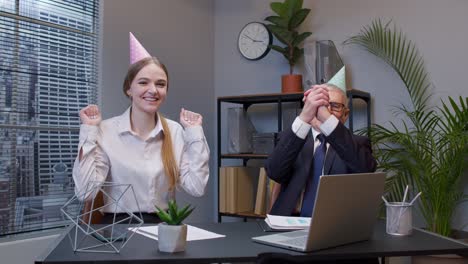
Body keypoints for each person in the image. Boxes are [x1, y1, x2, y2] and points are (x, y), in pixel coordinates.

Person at [72, 33, 209, 224]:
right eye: (143, 82)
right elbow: (85, 191)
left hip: (163, 228)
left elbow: (197, 187)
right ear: (129, 88)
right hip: (117, 229)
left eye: (160, 84)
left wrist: (194, 133)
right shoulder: (106, 131)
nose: (153, 90)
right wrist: (88, 131)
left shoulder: (175, 131)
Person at [265, 75, 378, 263]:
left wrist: (327, 119)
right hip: (290, 229)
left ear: (346, 114)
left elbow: (365, 169)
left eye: (334, 106)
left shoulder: (357, 144)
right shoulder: (294, 138)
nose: (325, 110)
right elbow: (274, 172)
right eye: (321, 105)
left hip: (337, 234)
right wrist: (304, 117)